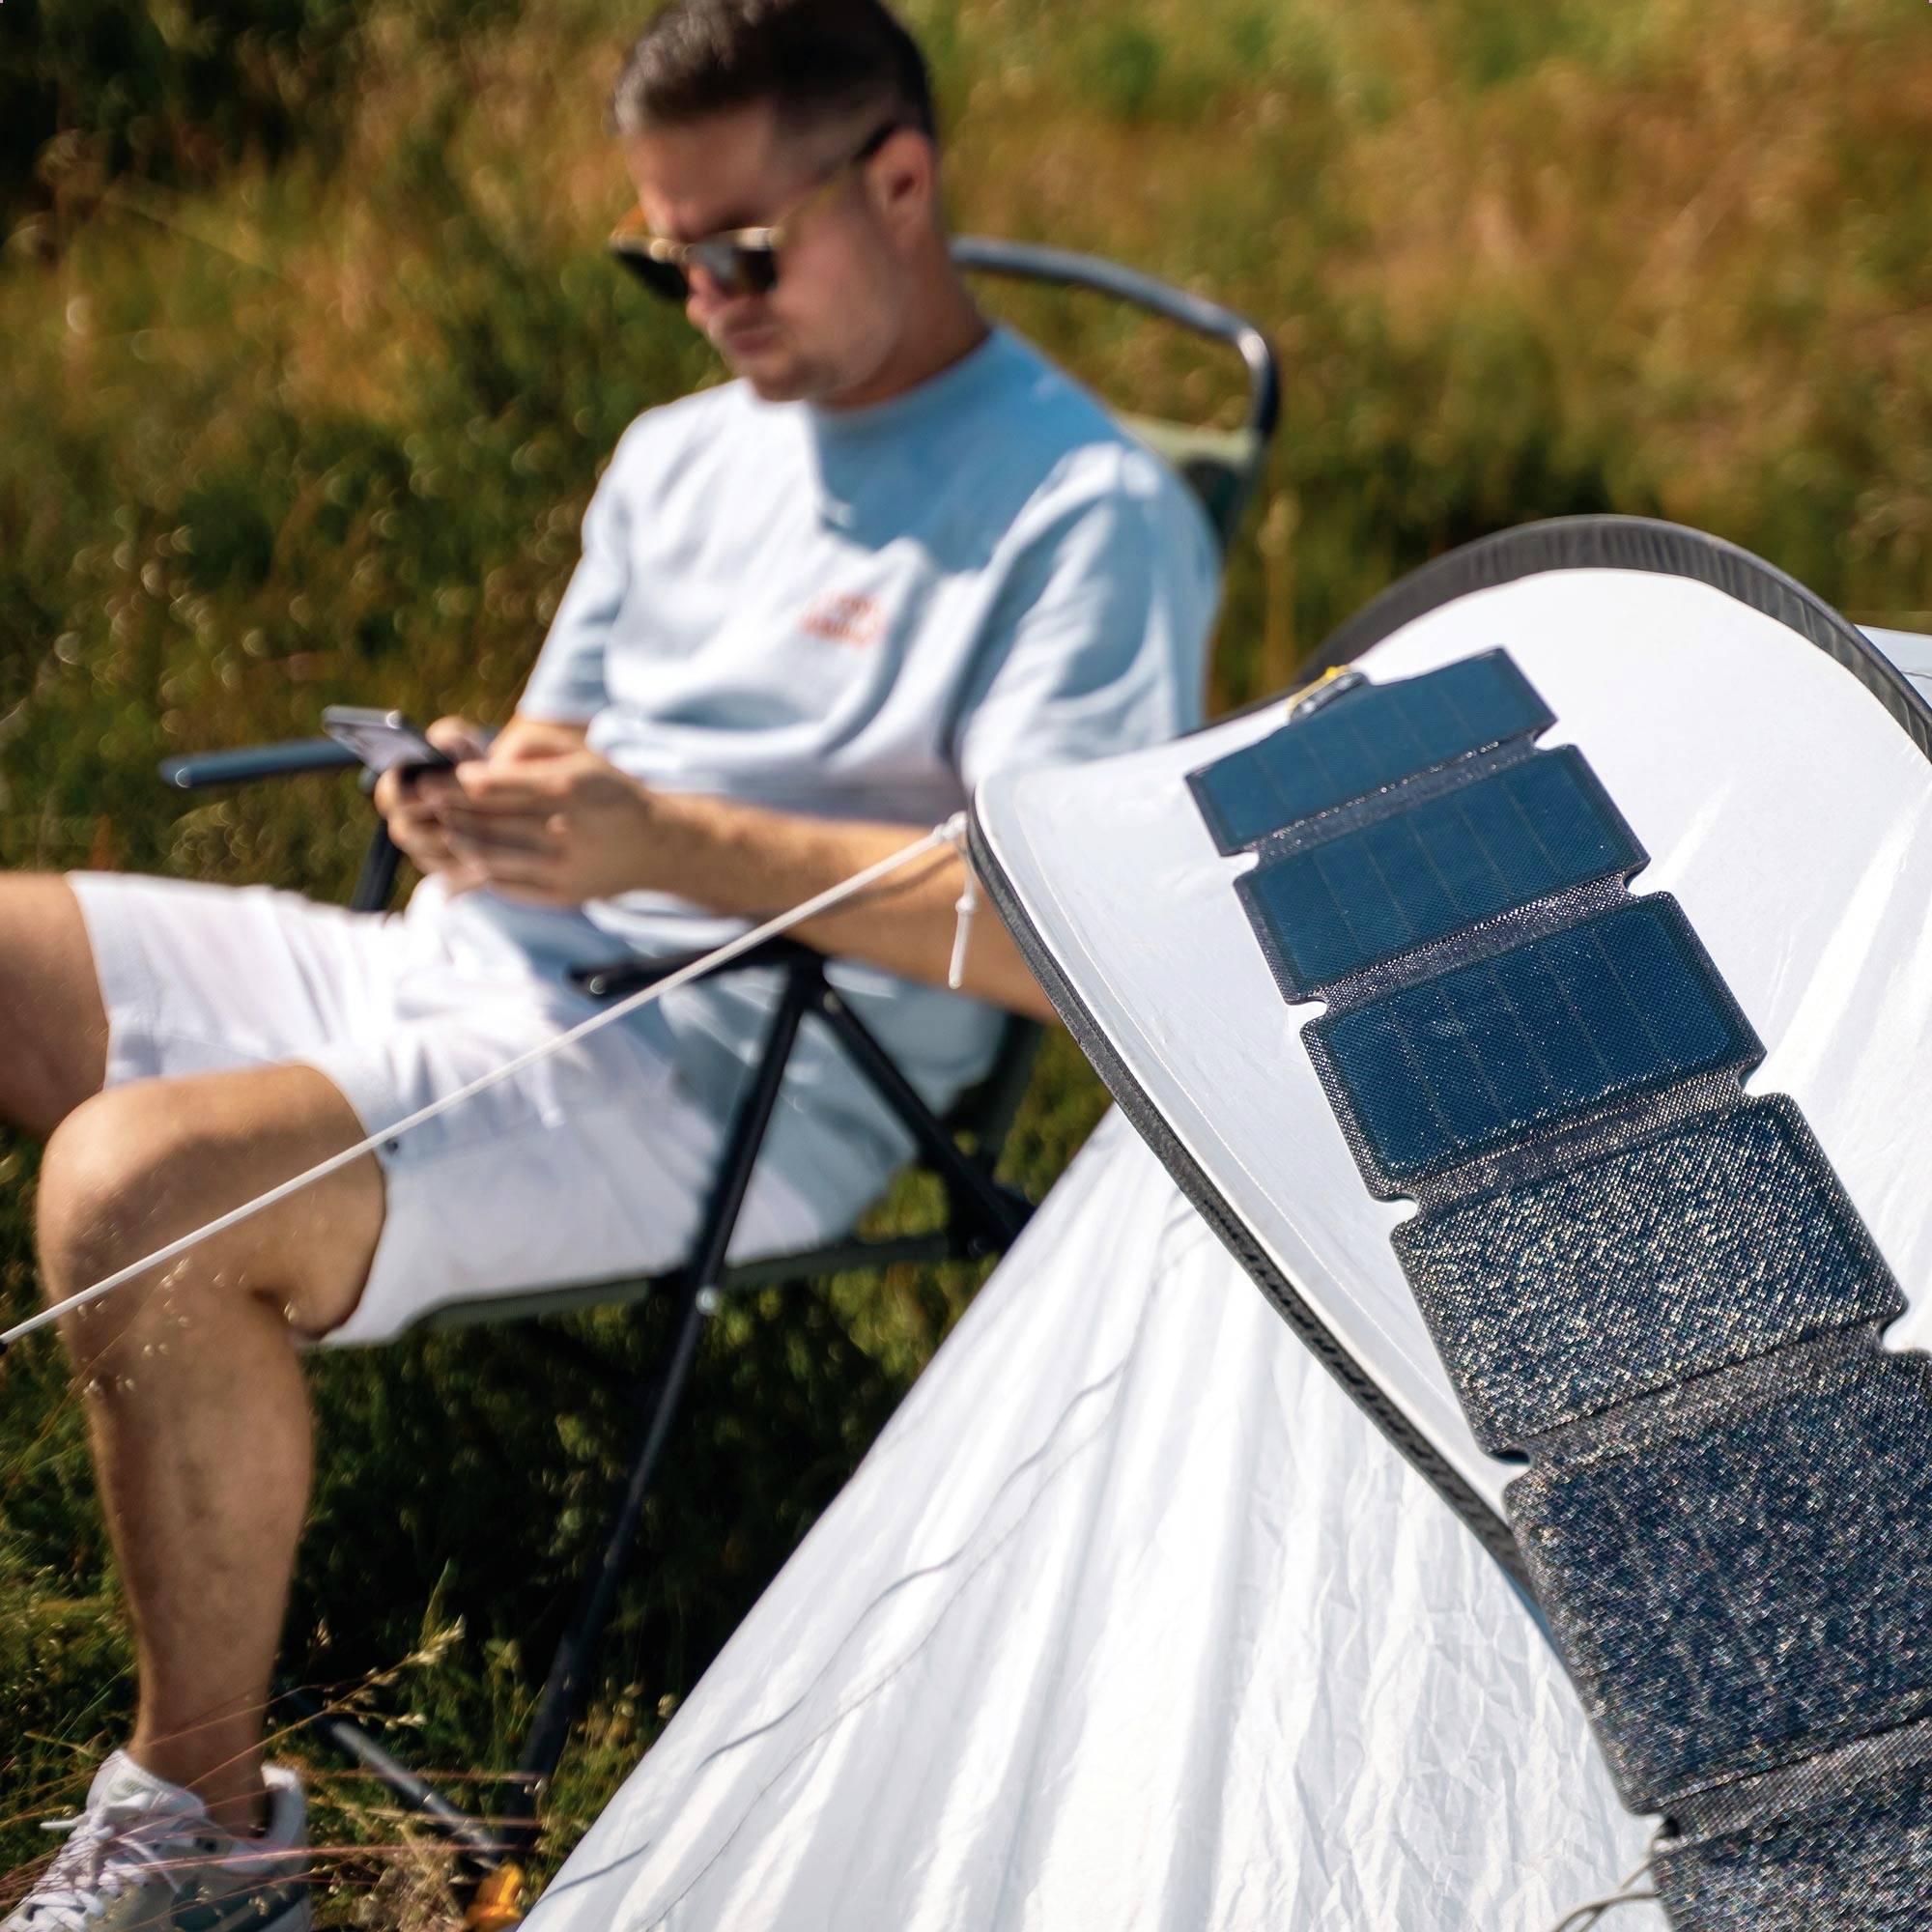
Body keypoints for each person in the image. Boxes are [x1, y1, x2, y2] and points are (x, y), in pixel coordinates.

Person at [0, 0, 1218, 1924]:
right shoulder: (677, 456)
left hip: (723, 1083)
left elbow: (1074, 941)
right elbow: (576, 753)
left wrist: (670, 845)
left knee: (136, 1185)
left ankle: (202, 1834)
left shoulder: (1088, 519)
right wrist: (472, 802)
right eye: (665, 260)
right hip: (470, 976)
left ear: (901, 182)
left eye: (743, 249)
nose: (707, 299)